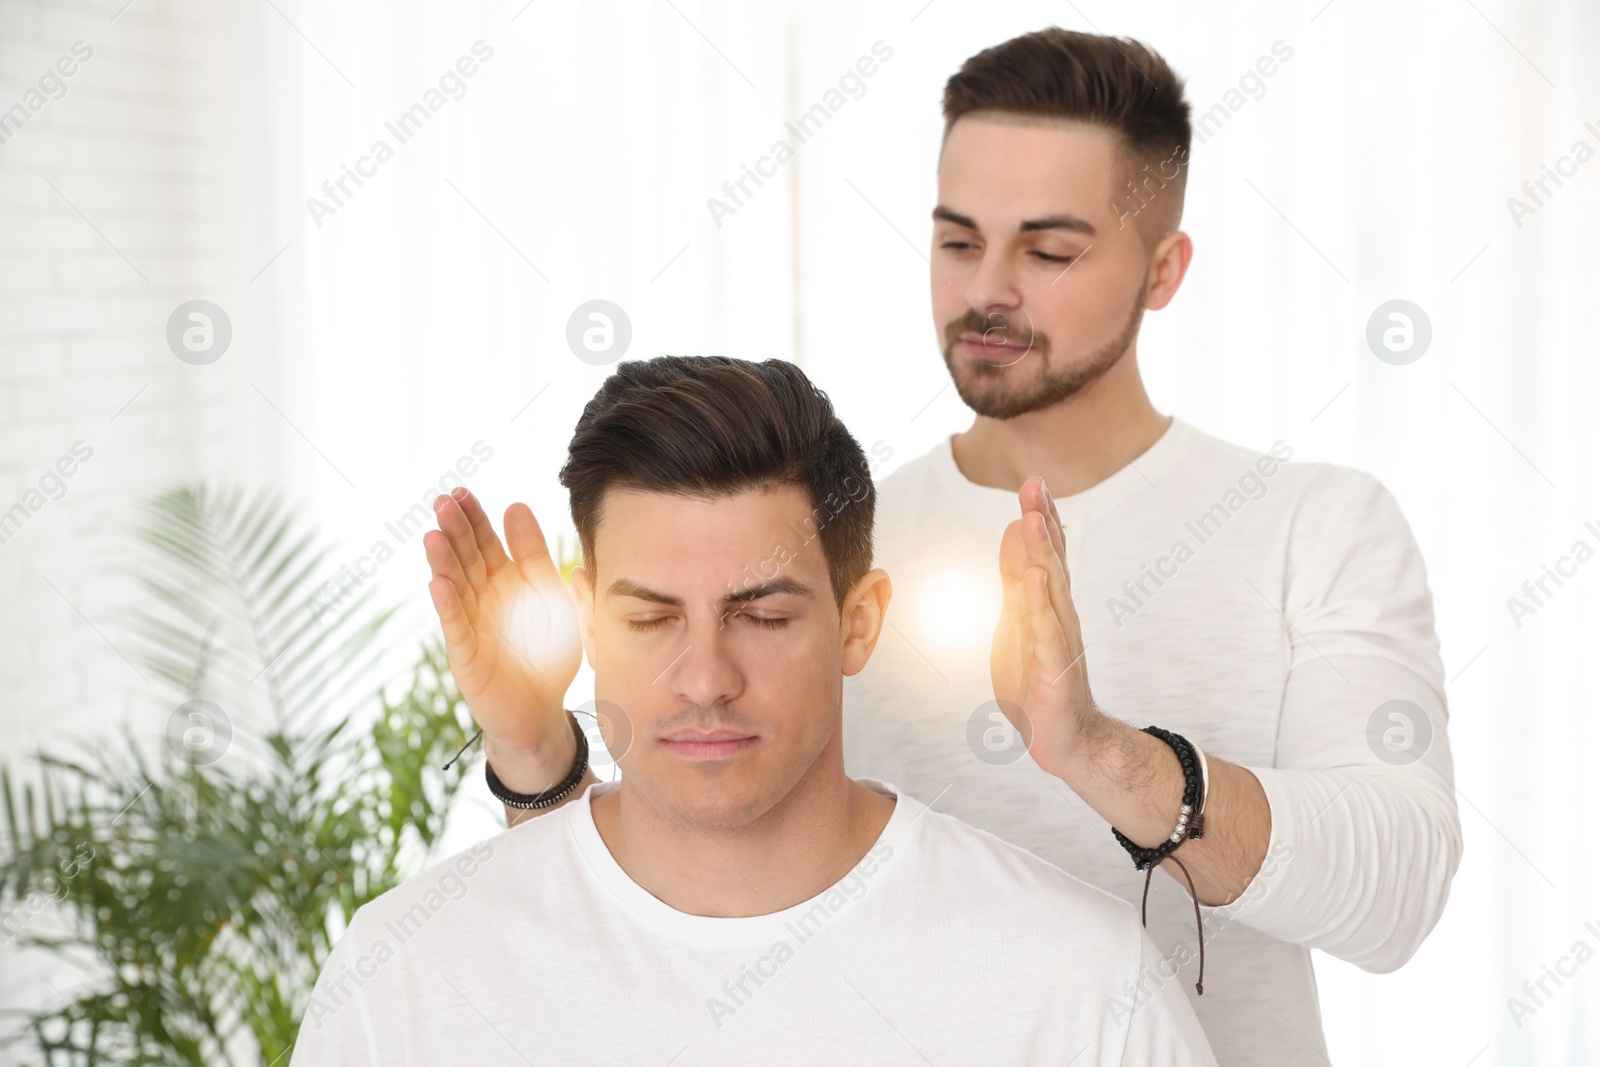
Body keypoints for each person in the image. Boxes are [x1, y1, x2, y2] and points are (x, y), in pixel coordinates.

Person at [443, 29, 1462, 1066]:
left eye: (1049, 250)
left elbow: (1401, 893)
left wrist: (1097, 751)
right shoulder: (816, 558)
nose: (989, 291)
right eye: (957, 241)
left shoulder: (1312, 525)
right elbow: (647, 912)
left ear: (1163, 271)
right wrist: (534, 757)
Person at [292, 356, 1217, 1065]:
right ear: (586, 623)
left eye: (763, 615)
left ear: (859, 624)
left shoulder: (1076, 982)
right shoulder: (408, 978)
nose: (705, 677)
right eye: (651, 618)